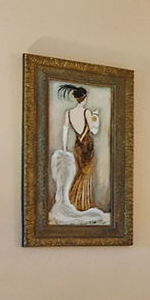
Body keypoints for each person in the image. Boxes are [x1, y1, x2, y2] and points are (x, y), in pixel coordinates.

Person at [57, 83, 100, 211]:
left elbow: (65, 130)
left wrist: (64, 147)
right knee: (86, 173)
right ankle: (83, 203)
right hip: (87, 145)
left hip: (77, 146)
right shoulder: (87, 112)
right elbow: (94, 131)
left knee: (81, 172)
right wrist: (96, 117)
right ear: (84, 98)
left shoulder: (68, 113)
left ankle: (74, 201)